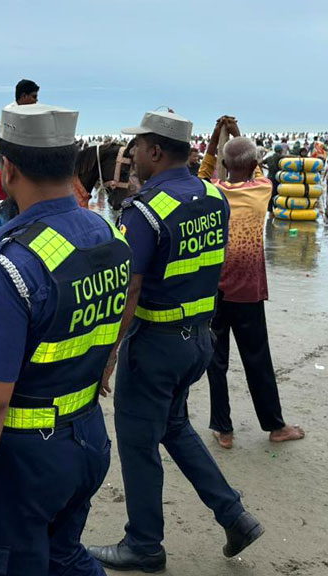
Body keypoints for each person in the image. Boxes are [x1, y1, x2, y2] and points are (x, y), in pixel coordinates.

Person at [0, 103, 129, 575]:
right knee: (62, 555)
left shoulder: (8, 267)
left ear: (8, 167)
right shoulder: (107, 232)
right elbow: (115, 322)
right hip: (88, 438)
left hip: (23, 464)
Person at [87, 111, 262, 573]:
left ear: (157, 151)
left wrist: (109, 355)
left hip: (156, 344)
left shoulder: (144, 210)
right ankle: (234, 515)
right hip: (199, 339)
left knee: (137, 441)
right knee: (173, 426)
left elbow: (131, 289)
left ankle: (144, 543)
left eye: (138, 147)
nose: (132, 155)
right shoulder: (212, 196)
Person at [197, 117, 304, 449]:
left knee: (216, 360)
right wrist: (238, 135)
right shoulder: (262, 189)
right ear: (256, 163)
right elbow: (254, 169)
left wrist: (216, 138)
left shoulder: (211, 192)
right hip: (248, 289)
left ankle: (223, 429)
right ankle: (274, 425)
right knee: (257, 358)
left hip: (213, 288)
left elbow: (202, 173)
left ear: (225, 165)